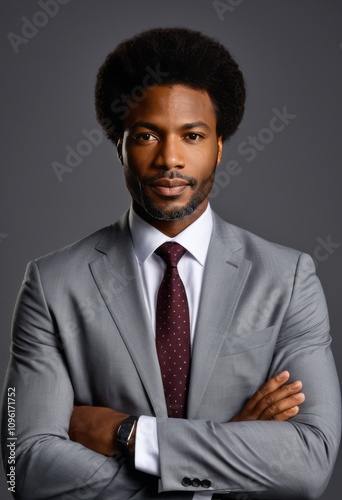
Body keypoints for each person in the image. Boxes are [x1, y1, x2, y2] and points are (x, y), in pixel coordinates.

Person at [1, 27, 341, 500]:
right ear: (118, 145)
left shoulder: (288, 280)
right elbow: (25, 468)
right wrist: (219, 460)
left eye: (193, 135)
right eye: (145, 136)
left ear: (219, 146)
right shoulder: (52, 284)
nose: (170, 159)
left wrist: (129, 434)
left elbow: (308, 461)